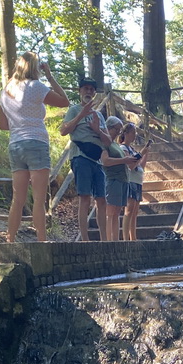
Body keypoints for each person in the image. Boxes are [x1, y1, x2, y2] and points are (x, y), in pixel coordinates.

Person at [0, 51, 69, 243]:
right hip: (36, 142)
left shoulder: (6, 91)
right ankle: (42, 241)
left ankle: (10, 239)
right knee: (39, 198)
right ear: (35, 68)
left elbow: (3, 125)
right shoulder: (36, 86)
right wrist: (50, 76)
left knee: (17, 198)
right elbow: (65, 101)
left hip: (16, 144)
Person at [60, 77, 112, 241]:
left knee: (101, 199)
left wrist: (98, 130)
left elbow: (109, 141)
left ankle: (104, 239)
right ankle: (85, 239)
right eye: (85, 89)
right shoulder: (74, 110)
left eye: (91, 89)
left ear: (95, 93)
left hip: (97, 160)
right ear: (80, 91)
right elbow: (63, 130)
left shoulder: (99, 116)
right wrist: (81, 115)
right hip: (81, 157)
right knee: (84, 197)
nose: (88, 91)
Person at [100, 116, 137, 241]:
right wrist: (124, 160)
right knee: (110, 212)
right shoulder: (105, 143)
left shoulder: (115, 144)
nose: (118, 132)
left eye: (120, 130)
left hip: (123, 180)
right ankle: (109, 241)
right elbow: (105, 161)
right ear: (109, 128)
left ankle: (115, 240)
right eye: (117, 129)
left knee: (117, 212)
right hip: (113, 179)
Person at [119, 122, 151, 241]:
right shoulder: (123, 148)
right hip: (130, 180)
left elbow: (140, 166)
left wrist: (145, 154)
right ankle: (126, 238)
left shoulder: (132, 149)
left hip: (138, 181)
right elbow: (130, 166)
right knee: (129, 209)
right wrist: (141, 153)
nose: (134, 135)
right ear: (126, 133)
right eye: (133, 133)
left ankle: (133, 238)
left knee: (135, 211)